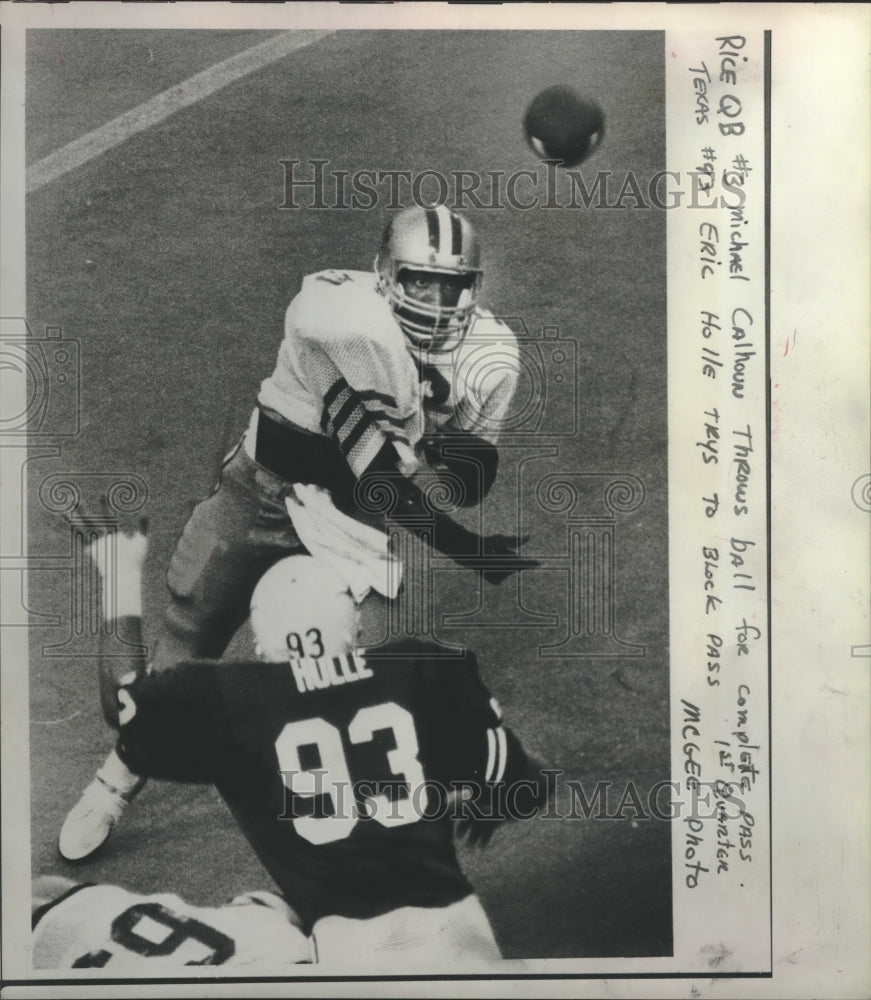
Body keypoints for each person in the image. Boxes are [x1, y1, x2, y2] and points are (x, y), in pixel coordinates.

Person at [59, 205, 537, 862]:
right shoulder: (338, 316)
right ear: (382, 274)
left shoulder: (487, 353)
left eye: (451, 286)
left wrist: (449, 439)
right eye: (420, 281)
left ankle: (339, 856)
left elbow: (470, 472)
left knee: (349, 691)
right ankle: (117, 777)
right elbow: (365, 471)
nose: (437, 299)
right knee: (177, 652)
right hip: (262, 493)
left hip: (351, 529)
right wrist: (467, 547)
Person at [55, 521, 548, 968]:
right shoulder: (419, 667)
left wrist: (118, 574)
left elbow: (121, 698)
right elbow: (528, 783)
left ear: (260, 646)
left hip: (347, 947)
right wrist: (478, 792)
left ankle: (109, 792)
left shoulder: (232, 699)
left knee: (264, 917)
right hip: (460, 928)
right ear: (353, 629)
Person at [32, 875, 312, 969]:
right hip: (68, 947)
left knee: (43, 888)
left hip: (101, 914)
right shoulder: (277, 940)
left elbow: (268, 902)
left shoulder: (277, 937)